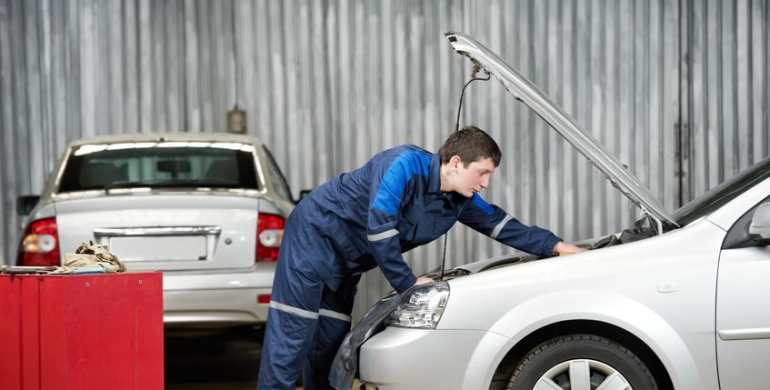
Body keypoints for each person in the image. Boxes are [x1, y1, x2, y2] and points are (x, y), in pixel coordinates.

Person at [257, 126, 585, 390]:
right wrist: (408, 283)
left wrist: (557, 246)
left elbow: (501, 224)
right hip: (314, 238)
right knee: (293, 335)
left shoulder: (460, 198)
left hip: (349, 262)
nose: (485, 183)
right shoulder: (401, 164)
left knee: (328, 342)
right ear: (456, 162)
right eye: (482, 172)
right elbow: (380, 229)